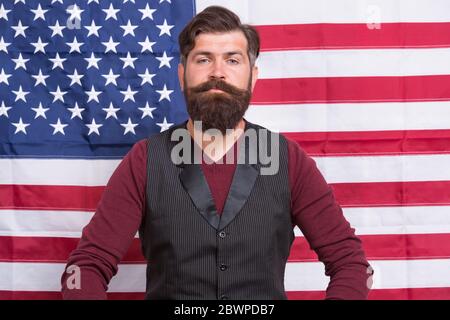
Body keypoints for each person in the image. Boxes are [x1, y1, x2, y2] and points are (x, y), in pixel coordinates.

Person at [61, 5, 372, 300]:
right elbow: (86, 266)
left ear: (254, 76)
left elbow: (351, 264)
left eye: (233, 60)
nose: (217, 73)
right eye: (204, 59)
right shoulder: (145, 160)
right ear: (182, 74)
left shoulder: (288, 160)